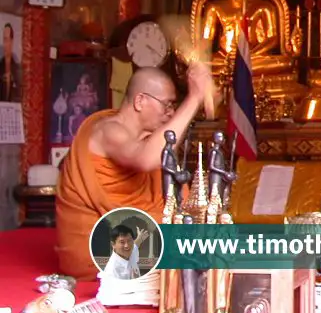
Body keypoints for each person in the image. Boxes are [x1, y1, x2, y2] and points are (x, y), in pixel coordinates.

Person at [56, 65, 212, 279]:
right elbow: (146, 159)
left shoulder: (145, 138)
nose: (171, 112)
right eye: (167, 105)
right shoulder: (108, 130)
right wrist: (194, 99)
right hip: (102, 248)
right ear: (140, 101)